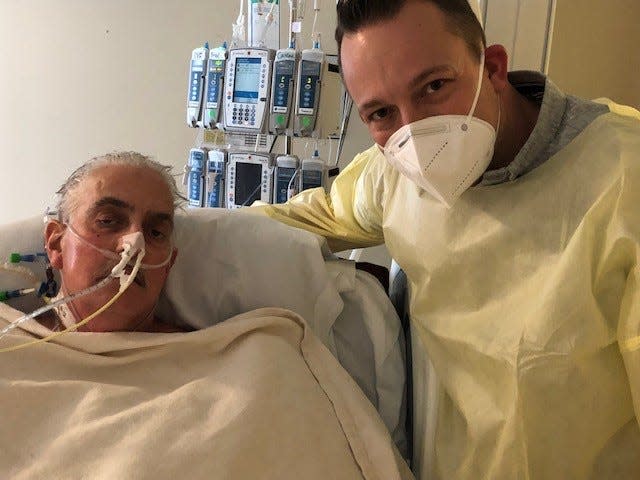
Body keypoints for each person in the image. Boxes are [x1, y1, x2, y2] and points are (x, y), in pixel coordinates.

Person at [252, 1, 640, 479]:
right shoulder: (391, 175)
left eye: (434, 87)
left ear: (492, 67)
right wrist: (169, 231)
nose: (416, 134)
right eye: (380, 112)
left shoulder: (625, 180)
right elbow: (318, 217)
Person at [0, 152, 413, 479]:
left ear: (170, 260)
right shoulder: (11, 347)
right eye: (108, 220)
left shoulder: (256, 357)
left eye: (156, 232)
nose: (134, 243)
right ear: (55, 243)